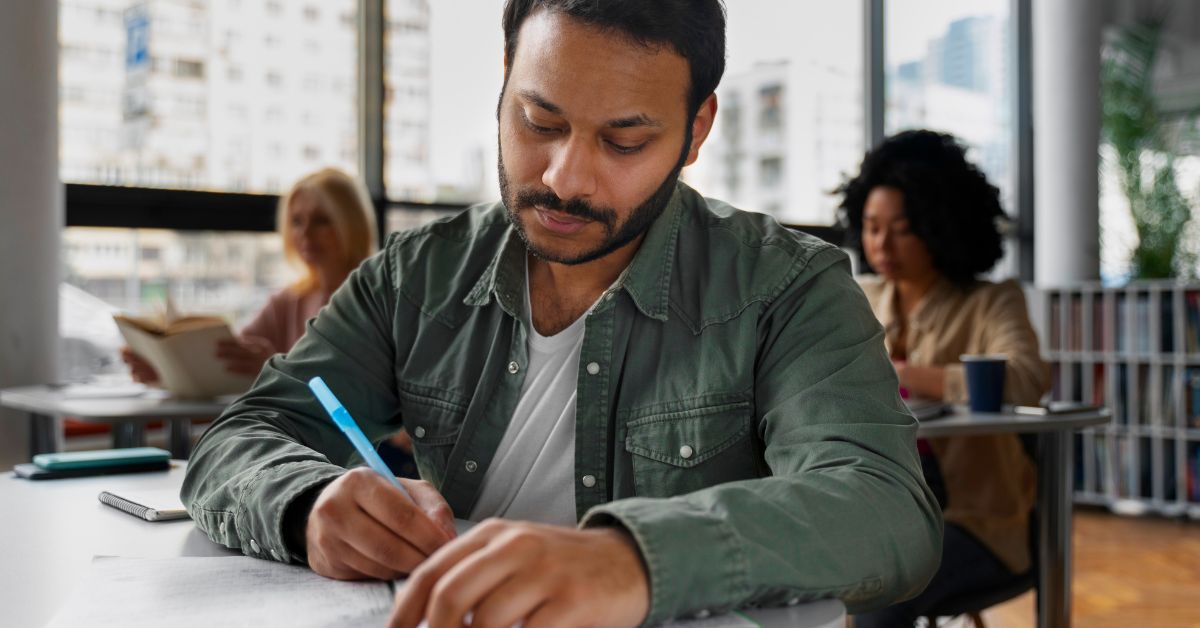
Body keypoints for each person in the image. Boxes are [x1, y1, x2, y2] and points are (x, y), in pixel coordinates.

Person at [182, 3, 943, 627]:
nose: (564, 177)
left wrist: (633, 559)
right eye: (539, 122)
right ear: (505, 78)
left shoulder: (787, 286)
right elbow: (243, 437)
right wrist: (308, 502)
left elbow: (885, 508)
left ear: (697, 130)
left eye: (625, 140)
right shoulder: (415, 276)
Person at [838, 130, 1052, 627]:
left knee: (882, 587)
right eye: (871, 227)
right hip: (876, 505)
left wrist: (908, 375)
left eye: (903, 228)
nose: (881, 244)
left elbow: (1025, 379)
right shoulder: (856, 297)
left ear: (941, 225)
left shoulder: (991, 301)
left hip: (975, 521)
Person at [121, 167, 379, 384]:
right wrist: (165, 371)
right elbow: (230, 362)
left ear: (352, 224)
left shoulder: (376, 301)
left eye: (322, 220)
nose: (305, 233)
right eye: (297, 221)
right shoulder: (287, 302)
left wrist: (277, 370)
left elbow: (365, 393)